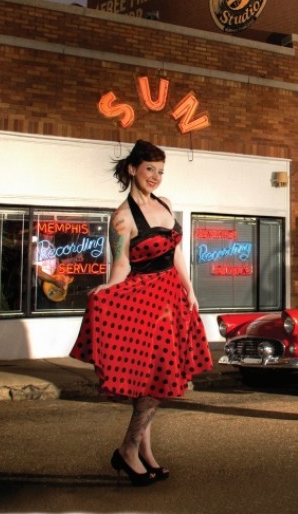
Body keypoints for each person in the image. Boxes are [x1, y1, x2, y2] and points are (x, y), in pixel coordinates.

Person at [70, 140, 213, 486]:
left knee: (153, 379)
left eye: (161, 171)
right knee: (158, 380)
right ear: (133, 169)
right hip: (145, 302)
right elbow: (121, 263)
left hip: (172, 298)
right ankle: (129, 449)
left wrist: (190, 289)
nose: (156, 177)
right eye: (150, 169)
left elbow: (176, 252)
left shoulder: (165, 203)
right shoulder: (121, 217)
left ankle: (145, 453)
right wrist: (109, 287)